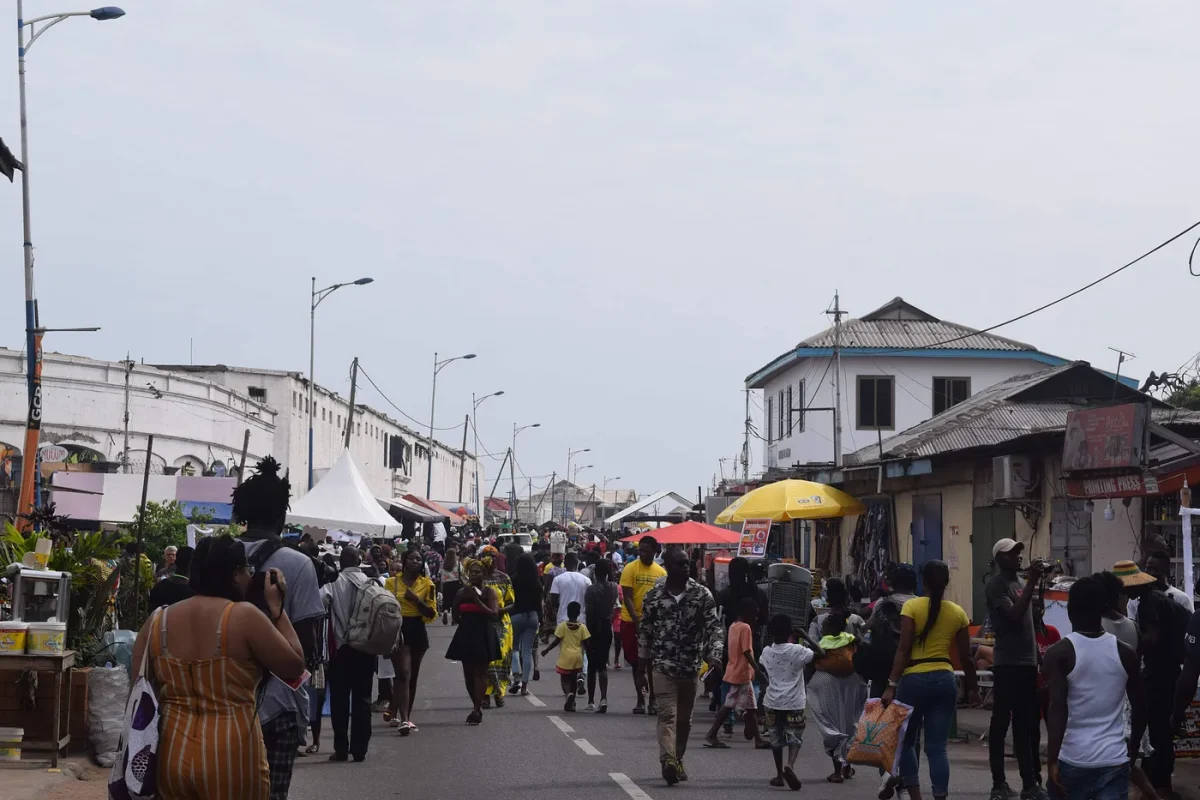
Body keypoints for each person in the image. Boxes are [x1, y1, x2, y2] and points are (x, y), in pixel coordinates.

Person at [130, 534, 305, 800]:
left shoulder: (157, 622)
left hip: (171, 752)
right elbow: (294, 666)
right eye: (247, 570)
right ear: (235, 574)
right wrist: (278, 610)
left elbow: (138, 688)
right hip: (232, 753)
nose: (249, 576)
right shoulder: (244, 616)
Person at [234, 457, 324, 799]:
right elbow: (306, 647)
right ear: (282, 514)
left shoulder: (216, 556)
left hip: (225, 701)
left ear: (241, 511)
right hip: (280, 705)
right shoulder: (299, 565)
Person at [1044, 575, 1149, 800]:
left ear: (1070, 610)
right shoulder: (1126, 653)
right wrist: (1132, 750)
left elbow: (1057, 708)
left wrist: (1052, 759)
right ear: (1104, 609)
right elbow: (1141, 708)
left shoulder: (1059, 653)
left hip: (1073, 759)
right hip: (1114, 759)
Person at [882, 559, 979, 800]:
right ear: (946, 583)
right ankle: (940, 796)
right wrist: (974, 688)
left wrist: (891, 685)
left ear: (922, 581)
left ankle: (915, 796)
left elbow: (903, 650)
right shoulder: (958, 613)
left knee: (905, 742)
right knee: (937, 748)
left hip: (913, 681)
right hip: (945, 681)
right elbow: (966, 656)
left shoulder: (912, 608)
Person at [637, 545, 723, 786]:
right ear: (667, 567)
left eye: (687, 563)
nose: (686, 567)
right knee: (667, 715)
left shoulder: (701, 594)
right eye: (680, 564)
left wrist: (715, 654)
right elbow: (645, 633)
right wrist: (641, 670)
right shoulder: (653, 597)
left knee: (684, 721)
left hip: (690, 666)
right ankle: (667, 761)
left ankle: (678, 758)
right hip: (662, 666)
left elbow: (713, 627)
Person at [984, 538, 1046, 800]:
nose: (1018, 557)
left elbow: (1030, 619)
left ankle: (1030, 783)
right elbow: (1012, 616)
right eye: (1011, 553)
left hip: (1027, 661)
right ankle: (999, 783)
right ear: (999, 558)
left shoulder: (1020, 583)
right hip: (1008, 662)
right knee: (1001, 723)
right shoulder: (996, 584)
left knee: (1028, 724)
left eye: (1019, 552)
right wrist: (1032, 583)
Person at [1132, 551, 1191, 796]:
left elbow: (1152, 638)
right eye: (1147, 568)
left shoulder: (1151, 601)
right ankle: (1157, 781)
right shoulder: (1152, 599)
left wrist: (1129, 654)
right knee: (1157, 728)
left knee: (1157, 729)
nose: (1150, 573)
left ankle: (1160, 784)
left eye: (1156, 569)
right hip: (1164, 670)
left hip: (1163, 673)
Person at [320, 547, 378, 762]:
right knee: (363, 699)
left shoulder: (333, 582)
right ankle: (360, 749)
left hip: (342, 649)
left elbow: (319, 603)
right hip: (366, 649)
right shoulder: (372, 582)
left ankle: (341, 748)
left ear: (341, 562)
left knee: (339, 700)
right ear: (359, 560)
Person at [760, 613, 820, 790]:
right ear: (790, 631)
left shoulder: (767, 651)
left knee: (776, 739)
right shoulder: (798, 651)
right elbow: (821, 653)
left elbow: (762, 668)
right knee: (795, 737)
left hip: (772, 701)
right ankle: (790, 765)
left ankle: (779, 774)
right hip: (793, 702)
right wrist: (806, 636)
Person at [808, 609, 868, 783]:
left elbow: (814, 658)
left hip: (829, 684)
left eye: (825, 626)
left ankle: (837, 772)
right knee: (850, 725)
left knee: (833, 727)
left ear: (831, 627)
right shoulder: (851, 639)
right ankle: (847, 767)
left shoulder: (825, 641)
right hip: (852, 683)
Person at [385, 548, 437, 735]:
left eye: (419, 559)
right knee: (403, 673)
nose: (416, 562)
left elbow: (431, 613)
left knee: (411, 676)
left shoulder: (428, 584)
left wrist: (416, 600)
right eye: (412, 559)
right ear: (405, 561)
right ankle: (403, 719)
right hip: (399, 628)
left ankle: (400, 712)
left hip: (417, 628)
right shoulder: (392, 583)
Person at [704, 597, 767, 749]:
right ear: (747, 612)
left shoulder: (734, 626)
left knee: (751, 708)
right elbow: (746, 651)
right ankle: (712, 734)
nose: (756, 616)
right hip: (742, 673)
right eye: (755, 613)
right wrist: (757, 670)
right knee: (729, 705)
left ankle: (758, 739)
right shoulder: (745, 628)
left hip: (736, 670)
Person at [446, 559, 501, 724]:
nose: (474, 574)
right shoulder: (462, 592)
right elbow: (455, 616)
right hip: (466, 633)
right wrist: (460, 598)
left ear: (484, 574)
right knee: (468, 674)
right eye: (472, 572)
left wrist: (476, 600)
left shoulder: (489, 592)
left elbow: (494, 614)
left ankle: (477, 709)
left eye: (478, 572)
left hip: (483, 632)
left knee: (480, 673)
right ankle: (476, 705)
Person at [620, 535, 667, 714]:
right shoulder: (630, 568)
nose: (642, 554)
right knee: (636, 663)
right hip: (631, 621)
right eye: (640, 550)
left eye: (646, 551)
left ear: (655, 551)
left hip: (654, 623)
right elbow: (627, 596)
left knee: (652, 664)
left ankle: (653, 700)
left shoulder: (661, 573)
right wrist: (637, 620)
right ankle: (641, 699)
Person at [550, 552, 592, 695]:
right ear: (577, 562)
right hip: (582, 620)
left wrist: (558, 609)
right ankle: (582, 675)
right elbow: (589, 600)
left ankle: (568, 681)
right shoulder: (586, 580)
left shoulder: (558, 579)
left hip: (563, 620)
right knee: (582, 650)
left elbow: (553, 599)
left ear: (565, 564)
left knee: (565, 650)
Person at [479, 548, 516, 706]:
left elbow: (512, 602)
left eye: (493, 557)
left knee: (501, 660)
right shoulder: (477, 579)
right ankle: (486, 695)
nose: (491, 560)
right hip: (483, 622)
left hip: (502, 623)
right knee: (487, 661)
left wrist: (500, 610)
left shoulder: (504, 578)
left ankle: (499, 692)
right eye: (487, 557)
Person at [542, 600, 591, 712]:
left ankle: (568, 694)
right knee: (573, 679)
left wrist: (546, 650)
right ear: (579, 613)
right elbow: (587, 644)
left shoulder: (563, 626)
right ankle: (572, 701)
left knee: (564, 680)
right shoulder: (583, 627)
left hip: (565, 657)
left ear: (567, 613)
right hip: (577, 657)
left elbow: (556, 641)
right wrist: (590, 655)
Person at [1032, 595, 1061, 778]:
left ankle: (1056, 767)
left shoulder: (1051, 632)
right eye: (1032, 606)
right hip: (1031, 690)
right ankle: (1034, 773)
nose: (1035, 611)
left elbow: (1059, 661)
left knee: (1055, 731)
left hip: (1050, 690)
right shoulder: (1025, 633)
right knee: (1032, 733)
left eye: (1038, 606)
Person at [584, 558, 618, 711]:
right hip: (606, 628)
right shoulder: (614, 587)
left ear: (595, 572)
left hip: (593, 629)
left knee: (591, 666)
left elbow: (589, 612)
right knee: (603, 665)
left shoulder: (591, 590)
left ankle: (591, 701)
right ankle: (603, 698)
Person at [509, 552, 542, 696]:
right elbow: (539, 604)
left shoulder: (513, 580)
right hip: (533, 616)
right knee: (527, 651)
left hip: (516, 616)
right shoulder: (536, 582)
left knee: (514, 648)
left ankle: (516, 676)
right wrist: (541, 620)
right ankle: (524, 686)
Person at [440, 546, 463, 625]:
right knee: (455, 602)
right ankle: (454, 619)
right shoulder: (458, 563)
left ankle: (445, 611)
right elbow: (462, 573)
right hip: (456, 584)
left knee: (446, 600)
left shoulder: (444, 564)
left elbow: (441, 574)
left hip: (447, 584)